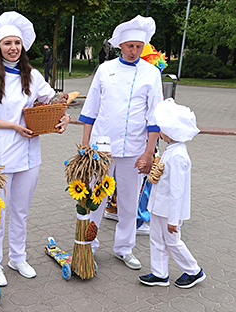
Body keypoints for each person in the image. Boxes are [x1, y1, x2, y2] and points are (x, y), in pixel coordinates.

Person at [0, 11, 70, 287]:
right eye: (7, 43)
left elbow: (52, 101)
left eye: (16, 43)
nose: (13, 48)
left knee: (21, 211)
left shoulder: (33, 75)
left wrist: (64, 116)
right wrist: (14, 126)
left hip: (29, 156)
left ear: (22, 45)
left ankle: (17, 256)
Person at [79, 15, 163, 270]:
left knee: (129, 202)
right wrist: (85, 144)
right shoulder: (106, 69)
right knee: (96, 198)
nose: (134, 51)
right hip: (102, 148)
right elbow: (91, 108)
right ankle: (88, 245)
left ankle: (124, 248)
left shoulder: (151, 73)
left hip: (135, 149)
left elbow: (154, 115)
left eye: (139, 47)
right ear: (120, 46)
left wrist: (149, 152)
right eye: (129, 46)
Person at [139, 99, 206, 288]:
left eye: (162, 128)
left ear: (171, 131)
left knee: (172, 241)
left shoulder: (178, 156)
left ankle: (194, 271)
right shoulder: (172, 150)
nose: (160, 131)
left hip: (169, 211)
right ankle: (159, 273)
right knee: (156, 239)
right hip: (159, 206)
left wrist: (173, 219)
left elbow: (177, 190)